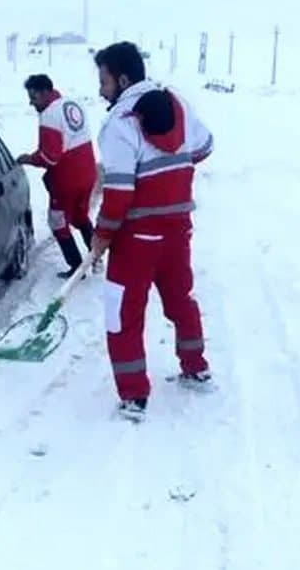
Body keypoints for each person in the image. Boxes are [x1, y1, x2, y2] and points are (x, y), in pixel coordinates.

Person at [88, 42, 215, 419]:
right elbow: (206, 146)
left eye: (104, 81)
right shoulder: (177, 103)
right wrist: (172, 168)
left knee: (122, 315)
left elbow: (120, 193)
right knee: (180, 300)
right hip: (177, 231)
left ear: (122, 78)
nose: (100, 90)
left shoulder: (119, 124)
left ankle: (133, 396)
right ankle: (196, 367)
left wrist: (102, 235)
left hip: (136, 239)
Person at [16, 74, 98, 278]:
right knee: (80, 216)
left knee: (57, 222)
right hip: (88, 173)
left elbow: (49, 157)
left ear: (44, 93)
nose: (31, 102)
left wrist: (28, 159)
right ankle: (97, 256)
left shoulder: (49, 115)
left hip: (66, 180)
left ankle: (77, 268)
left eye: (33, 97)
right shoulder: (71, 104)